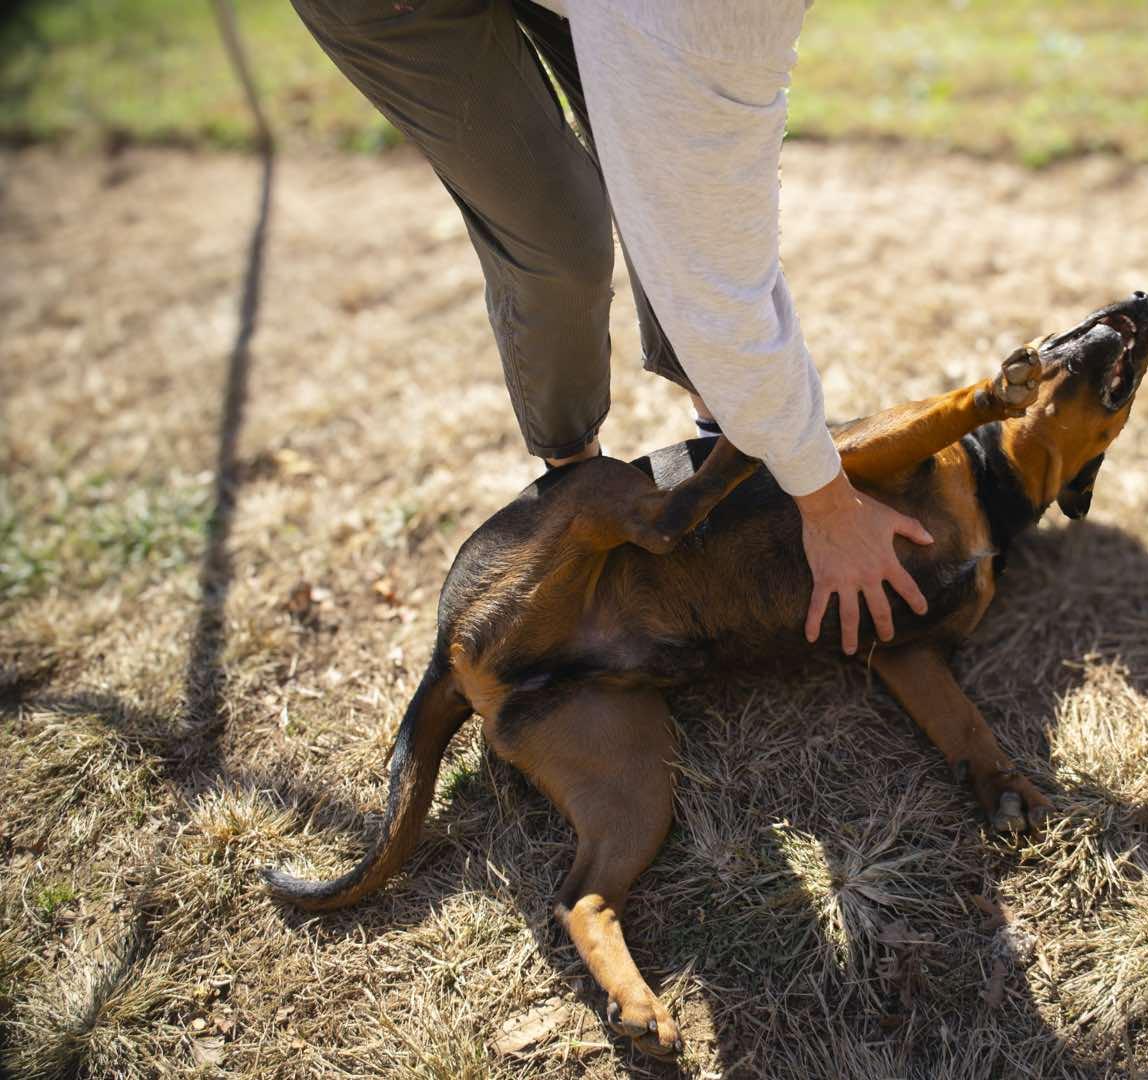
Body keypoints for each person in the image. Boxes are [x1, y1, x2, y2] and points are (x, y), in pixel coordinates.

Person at [292, 0, 932, 655]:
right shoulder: (704, 23)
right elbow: (719, 293)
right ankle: (575, 498)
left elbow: (696, 233)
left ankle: (726, 443)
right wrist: (829, 507)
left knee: (658, 183)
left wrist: (778, 457)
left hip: (631, 14)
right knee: (559, 237)